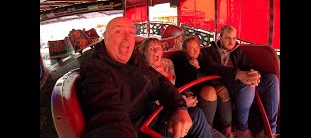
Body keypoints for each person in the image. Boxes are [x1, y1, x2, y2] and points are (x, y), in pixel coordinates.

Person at [77, 17, 212, 138]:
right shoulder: (96, 68)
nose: (126, 37)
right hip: (142, 129)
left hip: (155, 116)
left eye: (131, 32)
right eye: (118, 32)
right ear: (105, 36)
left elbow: (159, 80)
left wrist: (179, 106)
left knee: (197, 114)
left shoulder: (134, 58)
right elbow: (109, 117)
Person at [200, 25, 280, 138]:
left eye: (234, 38)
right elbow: (213, 68)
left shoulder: (237, 51)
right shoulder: (209, 52)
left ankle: (270, 131)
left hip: (241, 84)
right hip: (225, 84)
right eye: (228, 38)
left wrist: (253, 73)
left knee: (272, 80)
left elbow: (248, 65)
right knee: (246, 84)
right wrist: (237, 74)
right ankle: (241, 128)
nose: (231, 41)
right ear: (220, 37)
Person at [138, 37, 226, 138]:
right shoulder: (142, 73)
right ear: (143, 53)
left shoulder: (168, 64)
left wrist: (183, 96)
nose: (156, 50)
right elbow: (151, 104)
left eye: (158, 47)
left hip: (175, 105)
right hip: (158, 119)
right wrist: (182, 103)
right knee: (197, 113)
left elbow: (174, 87)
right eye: (151, 48)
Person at [170, 35, 235, 138]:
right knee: (209, 92)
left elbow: (211, 70)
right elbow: (187, 78)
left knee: (222, 90)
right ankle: (207, 129)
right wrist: (192, 66)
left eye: (197, 47)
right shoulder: (181, 58)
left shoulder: (201, 58)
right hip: (189, 91)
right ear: (185, 50)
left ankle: (228, 130)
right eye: (192, 48)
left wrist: (216, 83)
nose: (195, 50)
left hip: (202, 86)